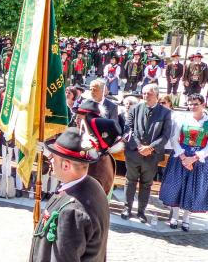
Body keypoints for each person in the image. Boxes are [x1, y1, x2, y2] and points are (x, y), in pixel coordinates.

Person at [29, 128, 109, 262]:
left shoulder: (71, 212)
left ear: (66, 166)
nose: (51, 161)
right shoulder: (93, 185)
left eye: (54, 157)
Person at [122, 83, 172, 223]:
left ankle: (141, 212)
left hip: (152, 156)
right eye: (143, 93)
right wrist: (139, 146)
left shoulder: (165, 113)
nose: (145, 96)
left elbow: (165, 135)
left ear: (156, 95)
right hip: (134, 153)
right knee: (130, 181)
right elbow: (128, 129)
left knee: (146, 184)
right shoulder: (135, 108)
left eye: (148, 94)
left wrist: (150, 148)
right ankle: (127, 208)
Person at [160, 93, 208, 232]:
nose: (192, 106)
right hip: (180, 157)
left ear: (203, 104)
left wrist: (195, 158)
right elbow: (174, 139)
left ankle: (186, 218)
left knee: (192, 189)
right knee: (176, 186)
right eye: (190, 104)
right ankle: (174, 216)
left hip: (199, 160)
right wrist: (182, 156)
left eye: (195, 104)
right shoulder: (182, 119)